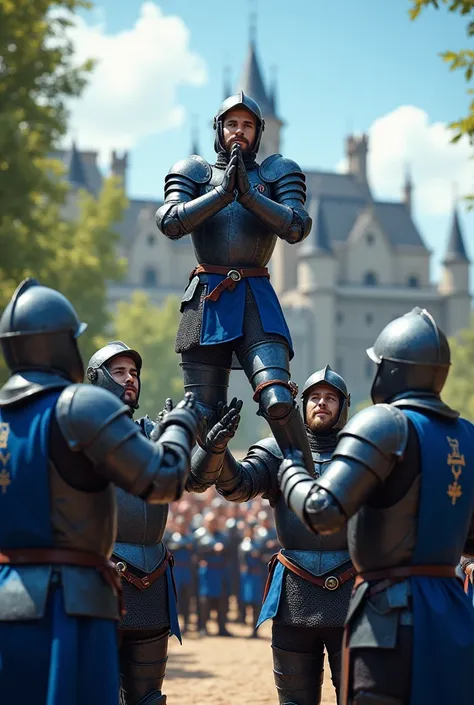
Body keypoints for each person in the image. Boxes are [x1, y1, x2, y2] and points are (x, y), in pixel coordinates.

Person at [0, 279, 198, 705]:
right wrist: (181, 423)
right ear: (61, 345)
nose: (130, 380)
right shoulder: (80, 406)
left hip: (6, 593)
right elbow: (165, 478)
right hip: (74, 598)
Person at [278, 307, 474, 705]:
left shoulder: (382, 423)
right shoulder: (468, 435)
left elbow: (321, 510)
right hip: (453, 611)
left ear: (391, 369)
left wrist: (291, 470)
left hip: (390, 613)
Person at [155, 91, 314, 480]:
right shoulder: (194, 171)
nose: (238, 132)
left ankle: (310, 482)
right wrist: (222, 193)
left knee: (278, 397)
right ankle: (203, 479)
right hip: (207, 301)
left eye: (247, 125)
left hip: (256, 298)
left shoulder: (277, 172)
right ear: (219, 130)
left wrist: (248, 196)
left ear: (259, 132)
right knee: (206, 418)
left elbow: (297, 225)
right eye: (231, 125)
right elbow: (170, 221)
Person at [190, 366, 354, 704]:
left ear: (343, 406)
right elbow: (238, 487)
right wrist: (218, 449)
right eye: (315, 398)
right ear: (302, 404)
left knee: (358, 697)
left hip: (352, 589)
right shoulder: (278, 450)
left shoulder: (362, 451)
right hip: (294, 592)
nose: (322, 403)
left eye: (330, 398)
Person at [87, 341, 180, 705]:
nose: (130, 380)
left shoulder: (153, 433)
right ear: (96, 379)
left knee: (148, 698)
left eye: (134, 373)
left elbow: (192, 478)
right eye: (120, 372)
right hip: (98, 579)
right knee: (97, 694)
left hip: (152, 578)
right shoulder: (80, 435)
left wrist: (210, 447)